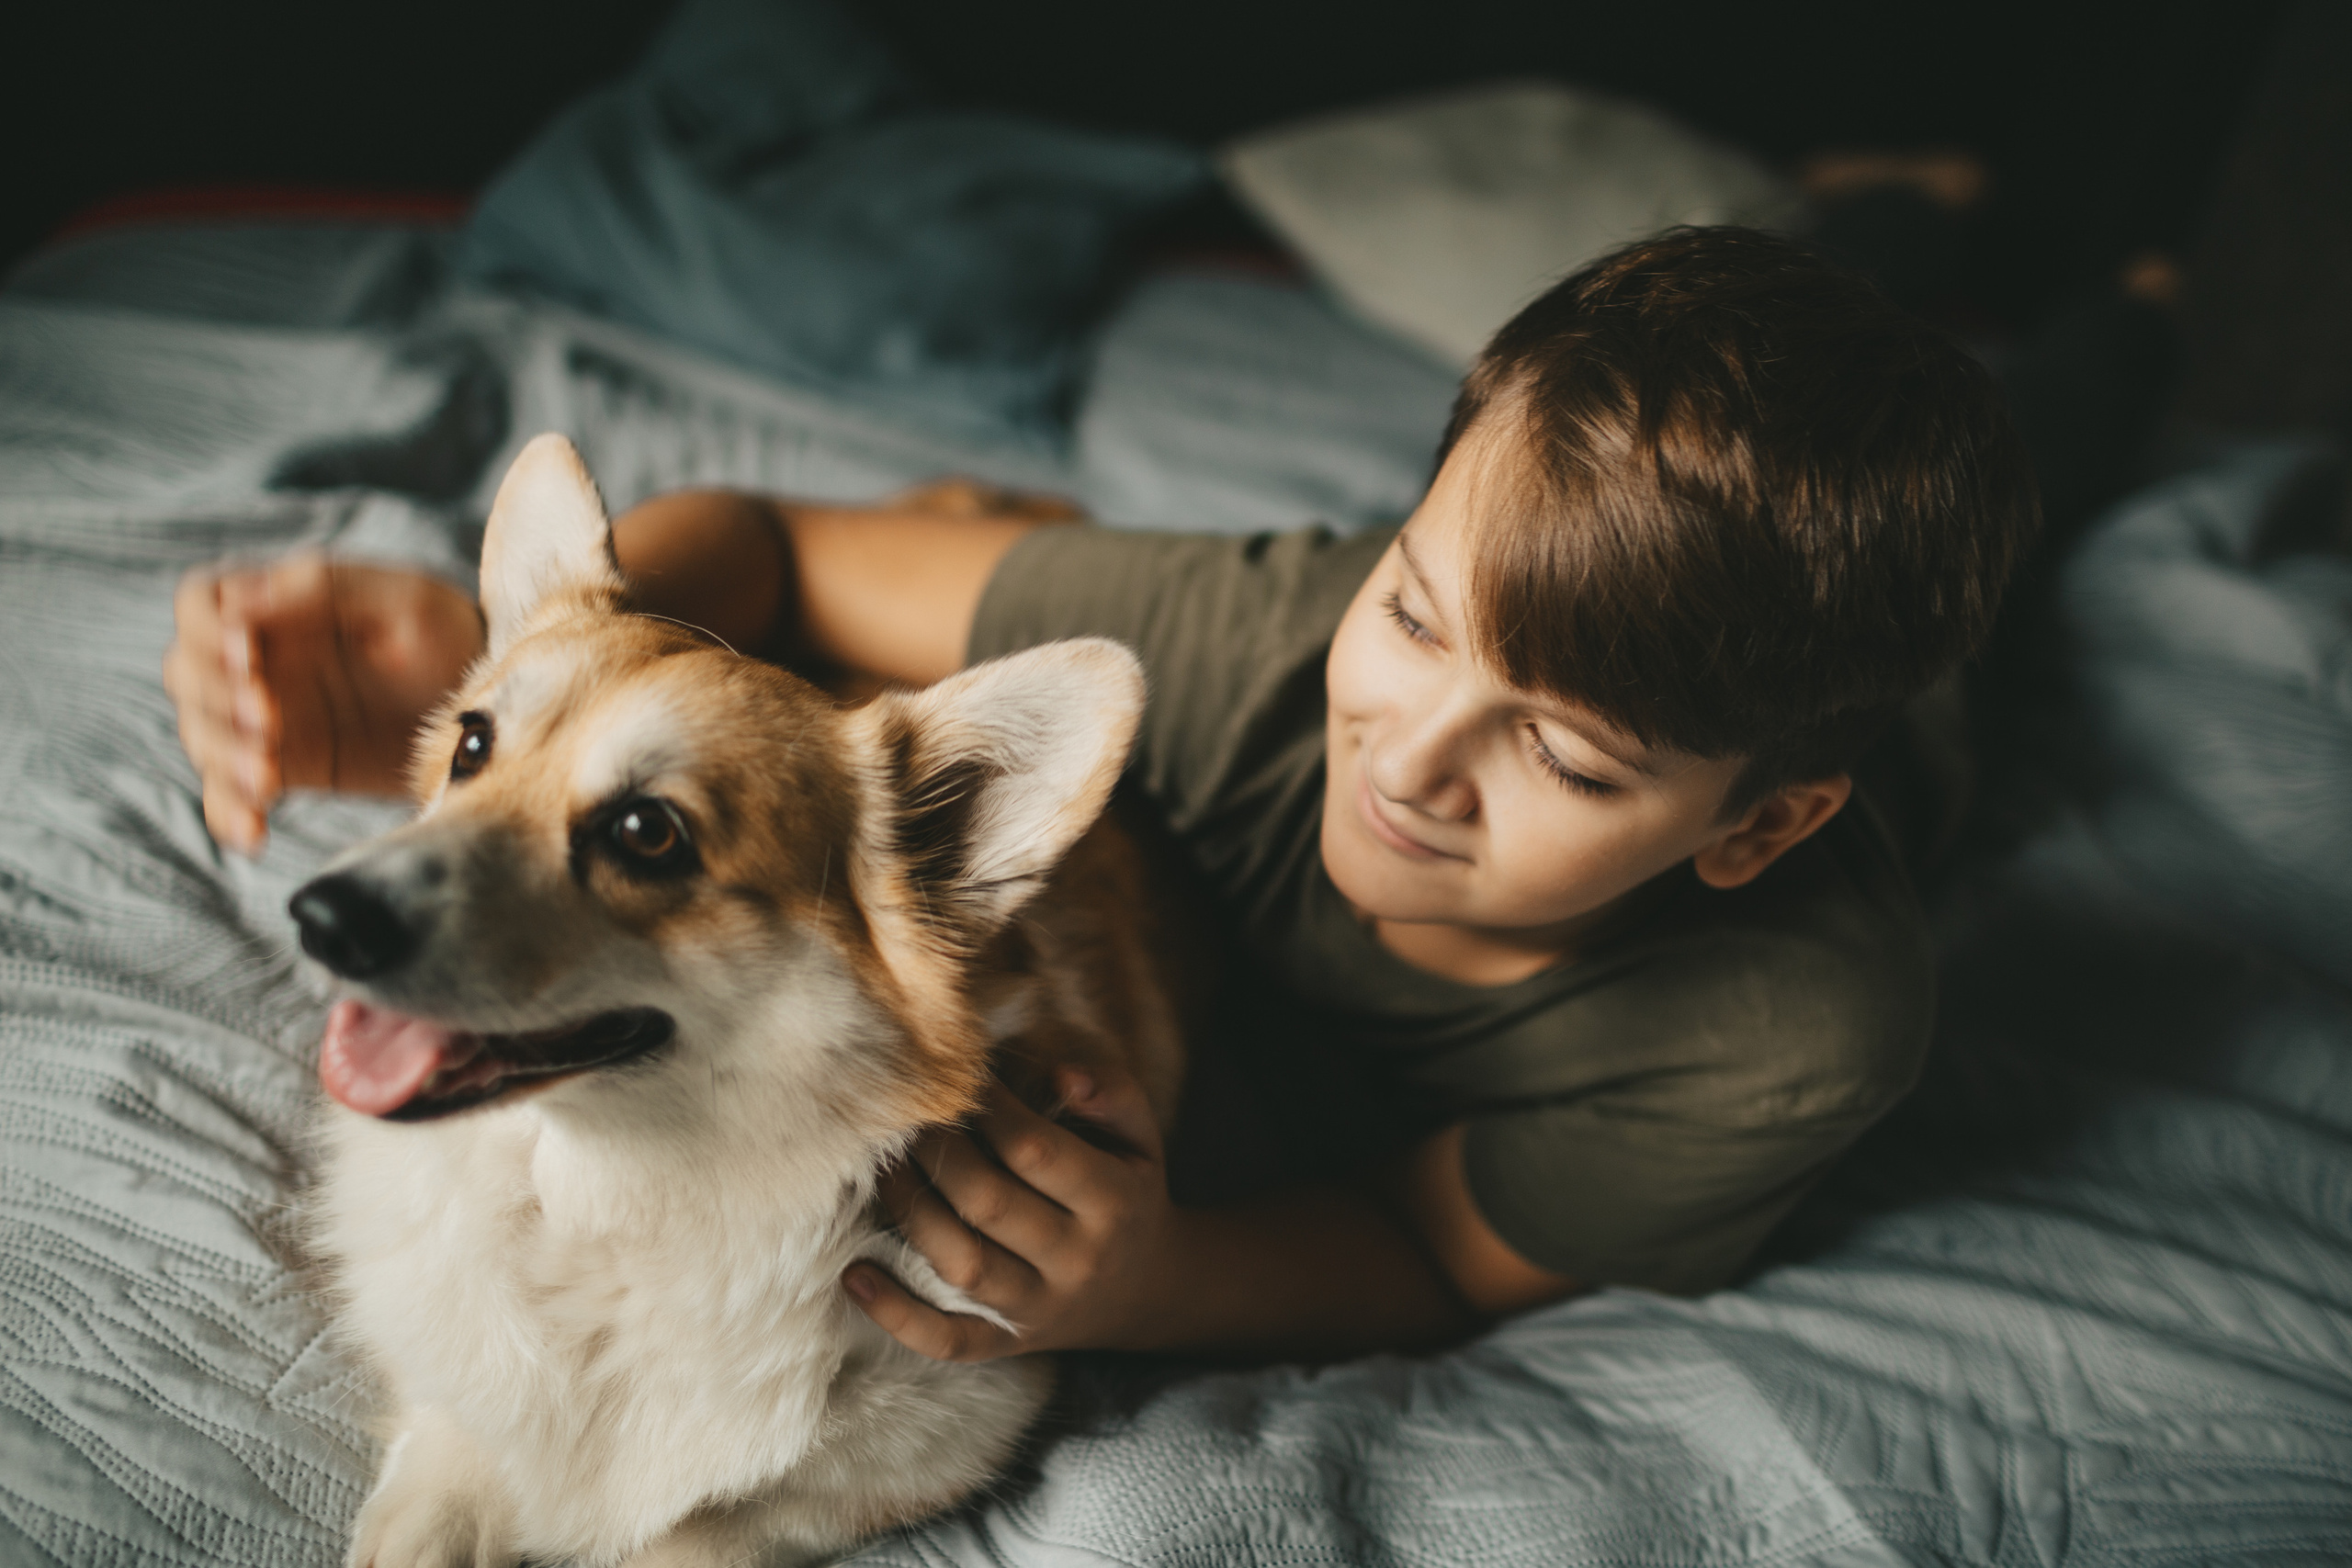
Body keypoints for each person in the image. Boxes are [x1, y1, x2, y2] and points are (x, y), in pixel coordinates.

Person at [164, 228, 2038, 1364]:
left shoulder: (1790, 1028)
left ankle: (2094, 311)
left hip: (1940, 736)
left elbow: (1424, 1253)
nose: (1405, 752)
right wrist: (516, 671)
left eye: (1561, 754)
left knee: (2049, 493)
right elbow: (777, 548)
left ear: (1750, 825)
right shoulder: (1261, 637)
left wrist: (1160, 1279)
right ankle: (1884, 226)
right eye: (1412, 611)